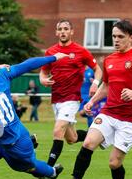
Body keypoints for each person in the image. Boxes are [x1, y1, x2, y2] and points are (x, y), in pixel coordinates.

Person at [55, 20, 132, 179]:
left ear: (131, 37)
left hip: (129, 119)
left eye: (121, 37)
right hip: (108, 113)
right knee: (87, 143)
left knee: (114, 162)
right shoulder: (109, 59)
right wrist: (92, 101)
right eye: (114, 36)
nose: (116, 40)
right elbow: (107, 86)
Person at [40, 19, 103, 167]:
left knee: (57, 130)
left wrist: (95, 84)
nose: (63, 31)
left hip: (72, 99)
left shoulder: (81, 51)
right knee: (71, 138)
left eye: (66, 29)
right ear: (56, 32)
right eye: (60, 29)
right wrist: (43, 79)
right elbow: (43, 72)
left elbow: (98, 70)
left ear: (71, 32)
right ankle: (100, 135)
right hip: (56, 99)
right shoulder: (51, 52)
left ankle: (48, 169)